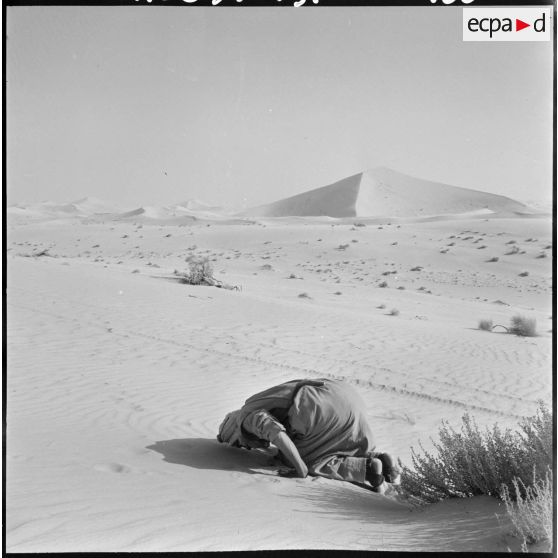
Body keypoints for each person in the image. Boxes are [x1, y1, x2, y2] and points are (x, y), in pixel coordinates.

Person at [217, 378, 400, 493]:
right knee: (336, 442)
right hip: (342, 394)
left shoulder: (245, 419)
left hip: (316, 408)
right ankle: (378, 459)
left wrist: (300, 469)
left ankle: (366, 469)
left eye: (240, 444)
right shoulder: (255, 401)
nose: (247, 447)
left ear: (234, 430)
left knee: (307, 459)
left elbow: (277, 433)